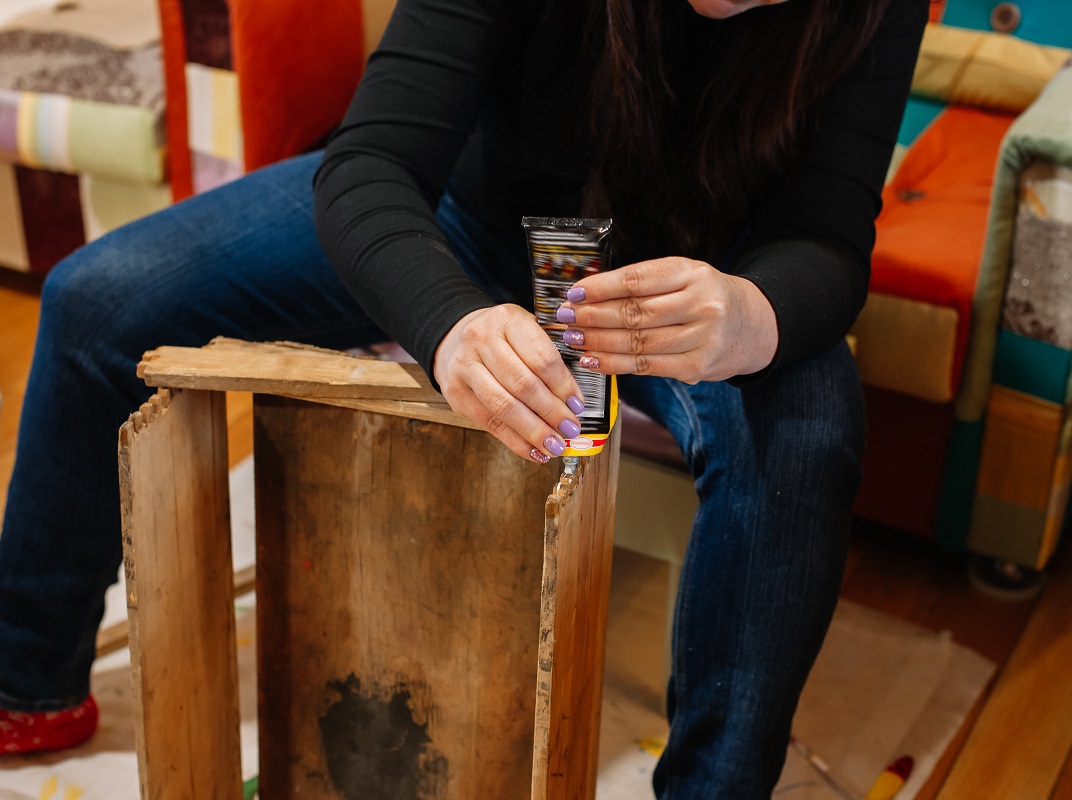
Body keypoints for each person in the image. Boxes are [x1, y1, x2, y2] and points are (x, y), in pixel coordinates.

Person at [0, 0, 925, 793]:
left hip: (684, 279)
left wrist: (753, 313)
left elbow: (829, 235)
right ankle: (27, 678)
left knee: (806, 430)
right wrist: (448, 322)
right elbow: (369, 167)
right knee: (96, 302)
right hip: (473, 223)